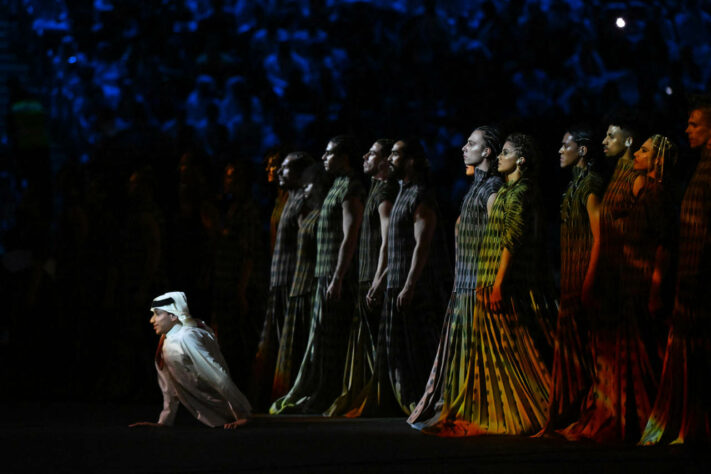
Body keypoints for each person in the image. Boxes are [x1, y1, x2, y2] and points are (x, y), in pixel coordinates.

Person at [424, 133, 555, 436]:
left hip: (489, 285)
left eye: (472, 144)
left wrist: (497, 283)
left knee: (512, 353)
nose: (463, 148)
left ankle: (525, 409)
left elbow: (509, 239)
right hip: (476, 282)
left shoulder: (504, 191)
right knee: (493, 356)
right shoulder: (497, 188)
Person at [561, 113, 653, 443]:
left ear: (629, 141)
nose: (605, 142)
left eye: (611, 136)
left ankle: (633, 414)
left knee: (633, 350)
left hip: (630, 275)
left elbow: (643, 231)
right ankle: (615, 408)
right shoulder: (616, 175)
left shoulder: (637, 178)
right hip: (616, 275)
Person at [408, 126, 504, 429]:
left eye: (472, 143)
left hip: (477, 285)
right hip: (463, 284)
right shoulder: (475, 187)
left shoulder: (491, 189)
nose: (464, 147)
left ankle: (479, 405)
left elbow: (499, 241)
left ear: (486, 151)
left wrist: (489, 284)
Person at [348, 138, 452, 417]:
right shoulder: (403, 192)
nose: (390, 159)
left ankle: (424, 402)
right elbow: (394, 246)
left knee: (418, 349)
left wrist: (409, 285)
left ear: (411, 161)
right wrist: (382, 279)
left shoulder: (420, 195)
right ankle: (406, 402)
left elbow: (423, 245)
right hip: (396, 284)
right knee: (396, 353)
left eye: (395, 154)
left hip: (413, 288)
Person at [270, 136, 365, 414]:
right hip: (324, 273)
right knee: (321, 338)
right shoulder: (337, 185)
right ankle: (317, 391)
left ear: (344, 156)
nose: (323, 157)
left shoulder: (351, 187)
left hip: (335, 275)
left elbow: (351, 235)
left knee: (331, 337)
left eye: (329, 153)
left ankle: (326, 393)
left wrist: (338, 276)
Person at [640, 98, 711, 445]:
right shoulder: (700, 168)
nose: (687, 130)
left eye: (695, 124)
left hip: (698, 285)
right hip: (690, 282)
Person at [326, 139, 398, 416]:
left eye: (373, 152)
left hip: (374, 278)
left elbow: (388, 240)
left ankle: (381, 398)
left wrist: (379, 279)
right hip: (367, 275)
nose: (365, 155)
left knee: (377, 343)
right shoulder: (375, 190)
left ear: (385, 160)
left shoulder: (384, 193)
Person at [540, 126, 604, 432]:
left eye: (566, 145)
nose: (559, 150)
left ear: (582, 151)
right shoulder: (573, 186)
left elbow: (599, 236)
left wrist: (589, 280)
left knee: (586, 348)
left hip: (582, 279)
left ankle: (588, 409)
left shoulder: (591, 184)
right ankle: (571, 410)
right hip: (569, 278)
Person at [130, 292, 251, 429]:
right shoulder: (166, 340)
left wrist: (242, 414)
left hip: (223, 406)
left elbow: (217, 375)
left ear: (173, 315)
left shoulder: (187, 337)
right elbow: (169, 385)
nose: (152, 320)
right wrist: (164, 421)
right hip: (211, 411)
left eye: (157, 314)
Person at [250, 151, 314, 411]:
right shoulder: (280, 200)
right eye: (269, 166)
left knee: (286, 338)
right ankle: (267, 393)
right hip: (278, 276)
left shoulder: (299, 199)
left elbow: (302, 243)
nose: (273, 171)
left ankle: (284, 392)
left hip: (290, 277)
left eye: (278, 166)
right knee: (273, 339)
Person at [271, 163, 331, 402]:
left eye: (309, 187)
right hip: (298, 281)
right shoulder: (305, 216)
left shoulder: (320, 215)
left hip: (309, 283)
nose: (305, 192)